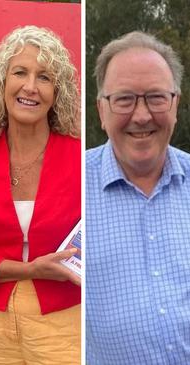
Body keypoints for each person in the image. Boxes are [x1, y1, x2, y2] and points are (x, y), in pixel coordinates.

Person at [0, 26, 81, 364]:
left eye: (45, 77)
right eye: (20, 72)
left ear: (57, 92)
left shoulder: (81, 158)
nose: (30, 87)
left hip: (63, 323)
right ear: (1, 82)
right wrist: (30, 270)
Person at [86, 31, 190, 364]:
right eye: (125, 99)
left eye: (156, 98)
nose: (142, 116)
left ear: (176, 104)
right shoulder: (65, 186)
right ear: (102, 110)